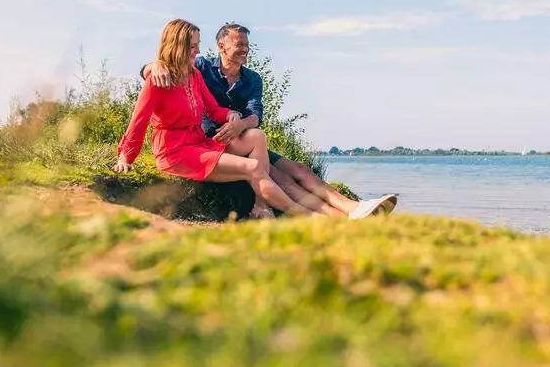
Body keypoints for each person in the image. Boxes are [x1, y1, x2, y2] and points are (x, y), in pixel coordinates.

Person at [141, 22, 397, 219]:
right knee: (277, 176)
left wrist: (241, 124)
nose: (244, 50)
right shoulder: (201, 67)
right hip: (213, 142)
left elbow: (256, 114)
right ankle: (335, 217)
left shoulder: (253, 79)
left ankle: (354, 208)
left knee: (300, 170)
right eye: (239, 44)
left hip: (244, 138)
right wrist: (152, 66)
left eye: (246, 45)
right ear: (221, 46)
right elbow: (167, 63)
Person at [114, 18, 323, 218]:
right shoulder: (157, 80)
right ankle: (305, 215)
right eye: (193, 46)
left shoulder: (194, 74)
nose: (198, 51)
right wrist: (126, 157)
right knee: (252, 168)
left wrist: (231, 114)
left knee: (257, 136)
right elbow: (138, 121)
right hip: (174, 151)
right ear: (176, 46)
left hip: (198, 143)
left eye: (198, 45)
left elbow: (213, 109)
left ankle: (262, 206)